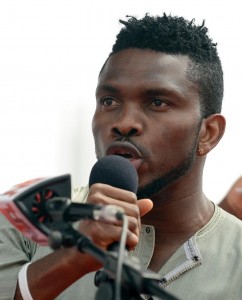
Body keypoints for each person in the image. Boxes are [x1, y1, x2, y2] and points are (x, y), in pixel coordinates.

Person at [1, 13, 242, 300]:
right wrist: (71, 259)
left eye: (157, 102)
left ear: (208, 133)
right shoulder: (26, 219)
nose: (124, 122)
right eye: (109, 101)